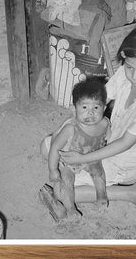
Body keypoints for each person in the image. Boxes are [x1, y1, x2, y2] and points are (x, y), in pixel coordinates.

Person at [40, 25, 136, 222]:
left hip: (123, 161)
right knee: (47, 147)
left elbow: (123, 144)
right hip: (103, 141)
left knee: (62, 190)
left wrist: (81, 159)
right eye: (129, 67)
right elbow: (101, 97)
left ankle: (132, 192)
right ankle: (85, 167)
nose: (134, 76)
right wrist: (74, 123)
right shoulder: (126, 74)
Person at [40, 79, 110, 220]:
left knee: (99, 173)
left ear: (104, 108)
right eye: (84, 108)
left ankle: (101, 195)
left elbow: (107, 138)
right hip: (69, 162)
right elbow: (55, 147)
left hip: (91, 158)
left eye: (96, 108)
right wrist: (53, 169)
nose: (90, 113)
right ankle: (70, 208)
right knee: (66, 180)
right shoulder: (71, 128)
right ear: (74, 109)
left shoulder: (105, 123)